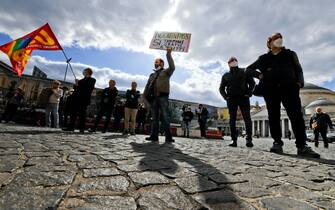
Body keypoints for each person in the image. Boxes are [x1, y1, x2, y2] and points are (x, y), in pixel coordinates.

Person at [246, 32, 320, 158]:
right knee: (273, 116)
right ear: (269, 43)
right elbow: (248, 69)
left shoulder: (290, 54)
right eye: (275, 38)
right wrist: (259, 75)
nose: (279, 40)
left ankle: (302, 146)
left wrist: (299, 83)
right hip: (270, 90)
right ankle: (277, 143)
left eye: (280, 38)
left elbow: (299, 69)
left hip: (289, 88)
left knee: (296, 115)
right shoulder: (263, 58)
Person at [220, 57, 255, 147]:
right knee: (232, 119)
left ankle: (249, 139)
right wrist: (226, 96)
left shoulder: (244, 71)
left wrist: (249, 93)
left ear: (237, 62)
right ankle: (233, 140)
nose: (233, 62)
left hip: (244, 97)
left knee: (247, 118)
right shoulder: (226, 75)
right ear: (228, 64)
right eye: (231, 61)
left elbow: (252, 83)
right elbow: (221, 88)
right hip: (231, 99)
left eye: (234, 60)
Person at [143, 48, 175, 143]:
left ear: (162, 64)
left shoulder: (166, 72)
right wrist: (143, 97)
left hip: (163, 97)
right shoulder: (152, 75)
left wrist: (168, 54)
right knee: (154, 118)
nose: (155, 63)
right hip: (154, 98)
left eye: (157, 62)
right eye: (155, 62)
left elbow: (172, 67)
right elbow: (147, 87)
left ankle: (168, 137)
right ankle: (154, 136)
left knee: (165, 117)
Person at [63, 68, 96, 133]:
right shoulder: (81, 80)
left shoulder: (92, 80)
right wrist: (76, 84)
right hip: (76, 99)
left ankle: (82, 128)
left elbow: (88, 88)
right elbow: (76, 89)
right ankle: (71, 127)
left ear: (88, 72)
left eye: (84, 71)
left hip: (84, 99)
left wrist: (79, 84)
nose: (83, 72)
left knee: (82, 114)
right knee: (73, 113)